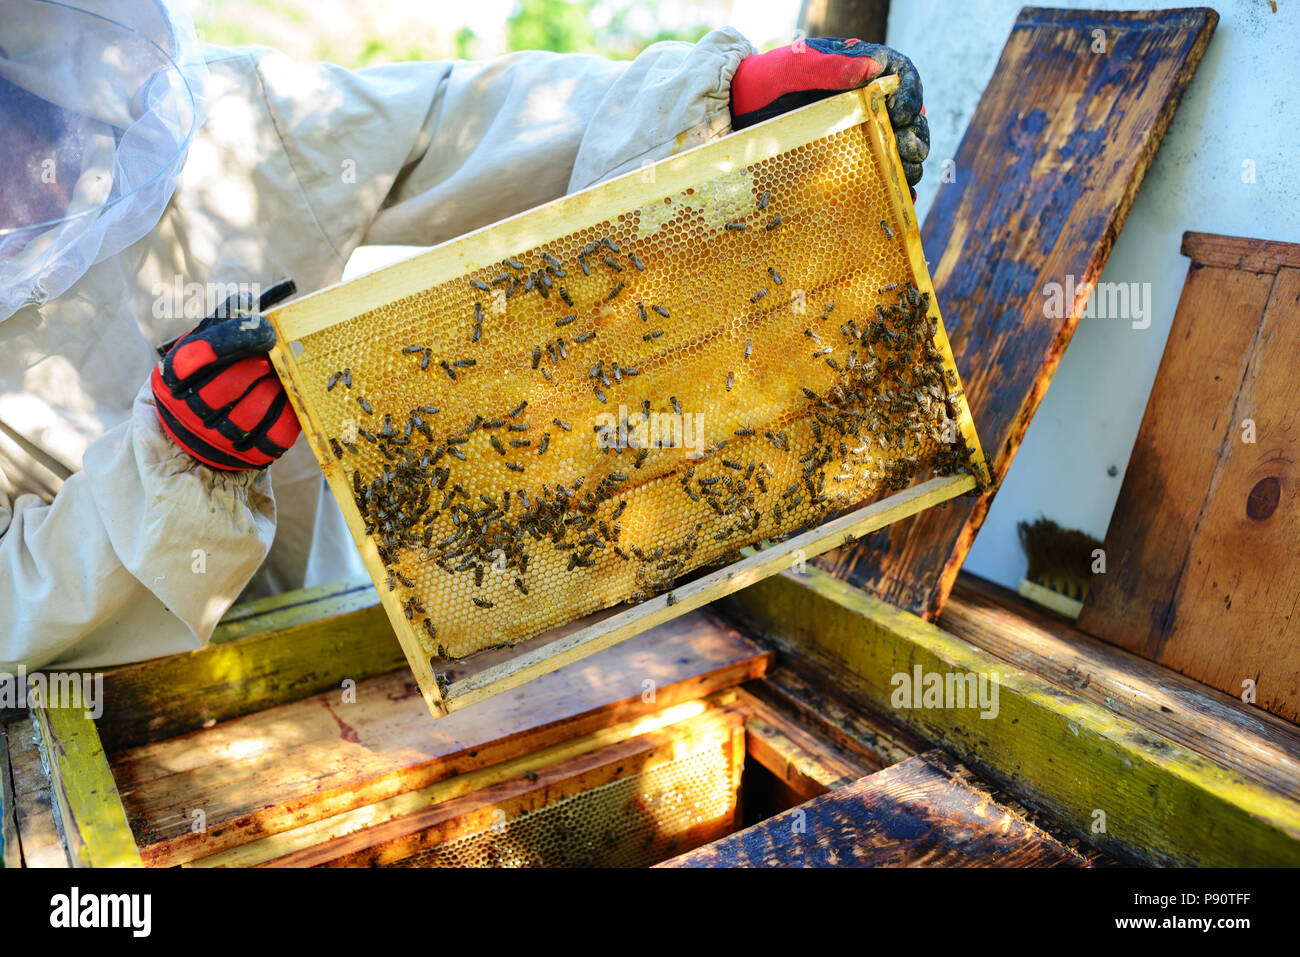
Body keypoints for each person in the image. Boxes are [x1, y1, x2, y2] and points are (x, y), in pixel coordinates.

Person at [0, 0, 929, 672]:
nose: (37, 168)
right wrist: (168, 464)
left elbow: (463, 123)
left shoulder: (228, 122)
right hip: (115, 708)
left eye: (31, 113)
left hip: (344, 626)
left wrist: (712, 111)